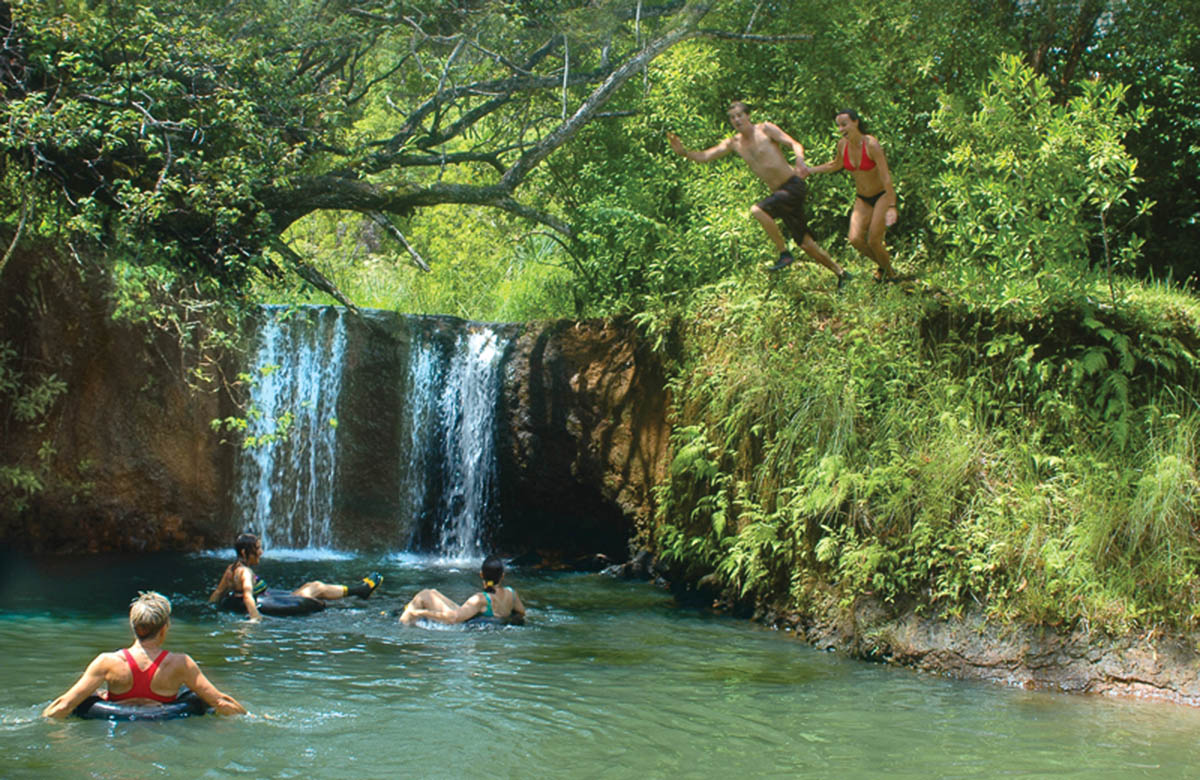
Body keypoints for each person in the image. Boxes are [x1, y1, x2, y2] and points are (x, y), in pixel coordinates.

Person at [667, 100, 850, 288]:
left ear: (748, 115)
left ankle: (784, 254)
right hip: (780, 194)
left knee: (757, 210)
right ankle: (842, 273)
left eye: (739, 115)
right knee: (806, 244)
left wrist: (800, 161)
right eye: (732, 117)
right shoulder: (734, 143)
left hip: (793, 186)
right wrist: (684, 152)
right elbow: (705, 156)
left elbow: (794, 144)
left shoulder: (765, 129)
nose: (736, 120)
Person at [42, 591, 247, 718]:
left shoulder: (107, 662)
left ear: (133, 626)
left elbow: (64, 705)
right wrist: (252, 717)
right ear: (165, 627)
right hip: (165, 734)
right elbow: (221, 702)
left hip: (117, 739)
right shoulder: (180, 664)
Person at [801, 108, 899, 282]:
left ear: (856, 122)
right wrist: (810, 170)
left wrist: (892, 205)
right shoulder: (842, 145)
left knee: (874, 241)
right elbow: (835, 165)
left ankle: (890, 276)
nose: (841, 129)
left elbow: (885, 176)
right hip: (863, 198)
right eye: (838, 126)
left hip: (882, 196)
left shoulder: (871, 144)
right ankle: (886, 269)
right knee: (854, 239)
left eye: (844, 124)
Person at [208, 532, 382, 621]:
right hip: (264, 602)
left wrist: (209, 608)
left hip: (268, 598)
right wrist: (255, 619)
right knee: (316, 587)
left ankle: (359, 590)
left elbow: (218, 592)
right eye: (258, 548)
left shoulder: (231, 569)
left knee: (311, 585)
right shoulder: (245, 572)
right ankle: (360, 590)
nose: (261, 552)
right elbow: (247, 595)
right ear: (246, 552)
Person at [398, 555, 525, 626]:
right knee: (432, 592)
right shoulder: (512, 593)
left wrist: (421, 613)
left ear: (481, 575)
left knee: (424, 595)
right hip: (471, 617)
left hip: (461, 624)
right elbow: (521, 612)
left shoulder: (481, 599)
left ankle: (403, 624)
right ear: (502, 576)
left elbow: (453, 618)